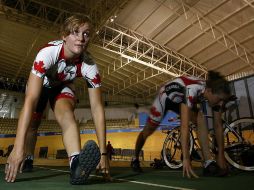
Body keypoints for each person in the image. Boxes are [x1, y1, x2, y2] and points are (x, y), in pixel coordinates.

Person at [4, 14, 111, 184]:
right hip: (41, 84)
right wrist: (17, 148)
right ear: (64, 36)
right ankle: (28, 155)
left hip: (61, 86)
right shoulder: (47, 53)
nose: (81, 38)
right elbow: (30, 99)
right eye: (75, 32)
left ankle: (76, 166)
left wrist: (104, 154)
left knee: (68, 115)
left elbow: (97, 108)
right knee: (33, 123)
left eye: (86, 33)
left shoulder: (89, 65)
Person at [131, 71, 231, 178]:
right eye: (220, 100)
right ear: (209, 91)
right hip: (165, 98)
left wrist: (221, 154)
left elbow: (218, 125)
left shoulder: (213, 91)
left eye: (223, 101)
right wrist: (186, 159)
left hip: (180, 98)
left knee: (199, 118)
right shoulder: (191, 89)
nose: (221, 104)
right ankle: (135, 158)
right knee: (147, 131)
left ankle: (208, 163)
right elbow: (184, 126)